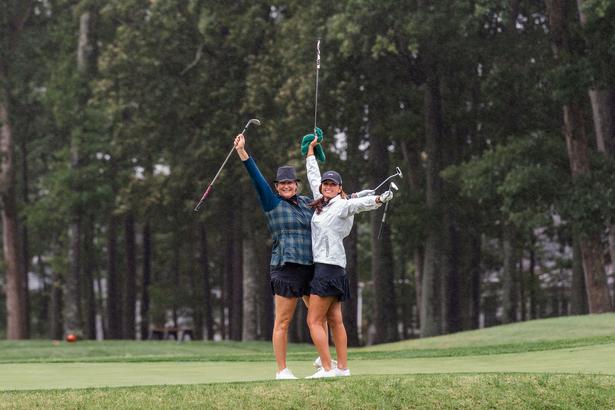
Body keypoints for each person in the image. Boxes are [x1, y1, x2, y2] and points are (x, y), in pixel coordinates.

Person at [304, 136, 394, 378]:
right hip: (334, 269)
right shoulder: (321, 201)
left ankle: (327, 368)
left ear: (339, 188)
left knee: (314, 321)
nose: (327, 187)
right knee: (335, 320)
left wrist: (379, 199)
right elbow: (313, 177)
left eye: (332, 185)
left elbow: (360, 204)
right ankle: (343, 368)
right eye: (326, 184)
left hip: (327, 268)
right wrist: (311, 151)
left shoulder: (342, 205)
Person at [233, 133, 315, 380]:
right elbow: (257, 179)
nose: (287, 186)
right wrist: (243, 152)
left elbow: (332, 202)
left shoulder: (308, 203)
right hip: (285, 267)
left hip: (310, 267)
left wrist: (313, 151)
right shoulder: (272, 202)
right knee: (283, 321)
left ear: (296, 185)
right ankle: (281, 370)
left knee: (318, 318)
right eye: (282, 184)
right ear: (277, 187)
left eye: (290, 183)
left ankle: (324, 361)